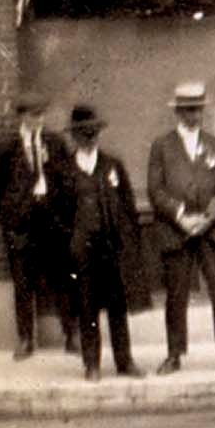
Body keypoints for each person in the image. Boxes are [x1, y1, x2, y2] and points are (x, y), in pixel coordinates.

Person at [145, 81, 215, 375]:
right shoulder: (161, 146)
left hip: (212, 231)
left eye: (198, 109)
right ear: (177, 112)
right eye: (188, 110)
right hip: (177, 231)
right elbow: (155, 189)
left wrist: (209, 217)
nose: (195, 115)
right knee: (176, 296)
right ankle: (174, 354)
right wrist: (181, 216)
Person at [0, 93, 75, 359]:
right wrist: (7, 215)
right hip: (20, 226)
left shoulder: (54, 143)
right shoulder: (7, 148)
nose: (39, 120)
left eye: (41, 114)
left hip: (51, 222)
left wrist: (50, 165)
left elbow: (68, 180)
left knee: (62, 279)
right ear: (22, 117)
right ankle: (25, 339)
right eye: (34, 115)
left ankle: (70, 334)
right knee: (22, 284)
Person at [52, 105, 145, 381]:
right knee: (87, 306)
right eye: (84, 134)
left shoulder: (112, 165)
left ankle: (124, 361)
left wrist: (127, 242)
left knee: (118, 306)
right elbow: (56, 214)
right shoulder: (63, 170)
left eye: (94, 133)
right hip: (82, 252)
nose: (90, 138)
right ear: (74, 137)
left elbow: (128, 206)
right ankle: (91, 363)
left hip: (111, 248)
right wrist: (71, 240)